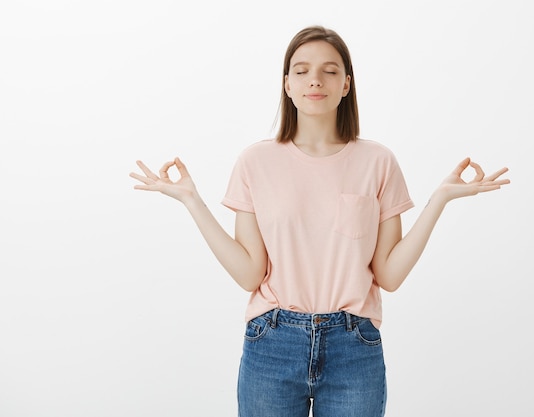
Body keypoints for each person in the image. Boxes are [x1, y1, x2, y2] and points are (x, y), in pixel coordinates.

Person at [130, 25, 509, 417]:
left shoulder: (377, 162)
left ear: (346, 84)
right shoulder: (254, 163)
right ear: (287, 85)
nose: (315, 79)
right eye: (302, 70)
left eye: (329, 71)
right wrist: (192, 200)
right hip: (272, 342)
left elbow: (389, 276)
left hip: (353, 346)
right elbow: (249, 274)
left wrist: (440, 199)